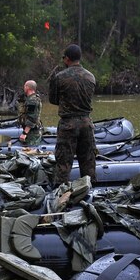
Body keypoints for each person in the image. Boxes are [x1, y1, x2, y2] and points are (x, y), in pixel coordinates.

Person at [48, 44, 97, 184]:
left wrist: (67, 103)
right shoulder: (91, 77)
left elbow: (53, 99)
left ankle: (60, 195)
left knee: (63, 163)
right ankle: (89, 194)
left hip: (68, 124)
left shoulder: (59, 77)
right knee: (88, 162)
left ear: (67, 59)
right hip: (87, 123)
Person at [17, 80, 43, 146]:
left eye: (24, 86)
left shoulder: (32, 100)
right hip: (31, 131)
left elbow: (32, 118)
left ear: (27, 87)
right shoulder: (30, 99)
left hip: (32, 133)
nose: (24, 88)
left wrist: (24, 133)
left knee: (31, 150)